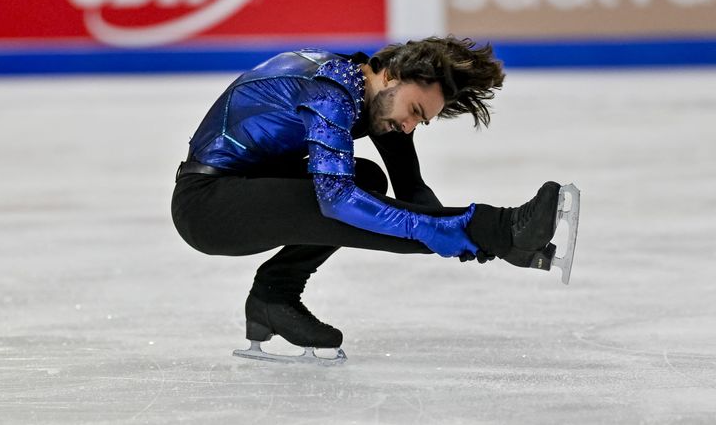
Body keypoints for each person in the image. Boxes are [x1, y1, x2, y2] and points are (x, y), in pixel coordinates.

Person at [171, 36, 572, 364]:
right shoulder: (331, 91)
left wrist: (473, 240)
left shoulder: (374, 96)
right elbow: (337, 201)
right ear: (392, 73)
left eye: (421, 121)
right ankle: (504, 228)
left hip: (253, 187)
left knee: (368, 177)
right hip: (208, 205)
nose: (409, 125)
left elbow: (413, 193)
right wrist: (487, 230)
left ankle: (272, 299)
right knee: (346, 192)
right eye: (414, 110)